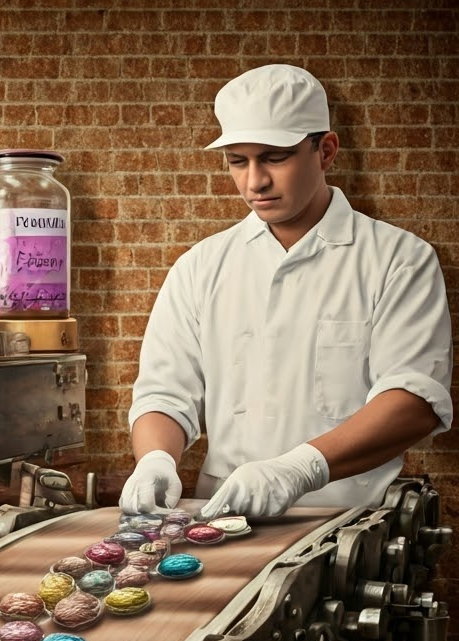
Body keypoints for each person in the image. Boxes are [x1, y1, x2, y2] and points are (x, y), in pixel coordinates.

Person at [121, 64, 453, 519]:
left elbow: (414, 400)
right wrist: (156, 459)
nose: (254, 181)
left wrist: (299, 469)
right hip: (221, 521)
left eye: (274, 157)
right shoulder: (200, 267)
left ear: (326, 150)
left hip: (348, 526)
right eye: (238, 161)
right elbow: (164, 394)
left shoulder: (398, 260)